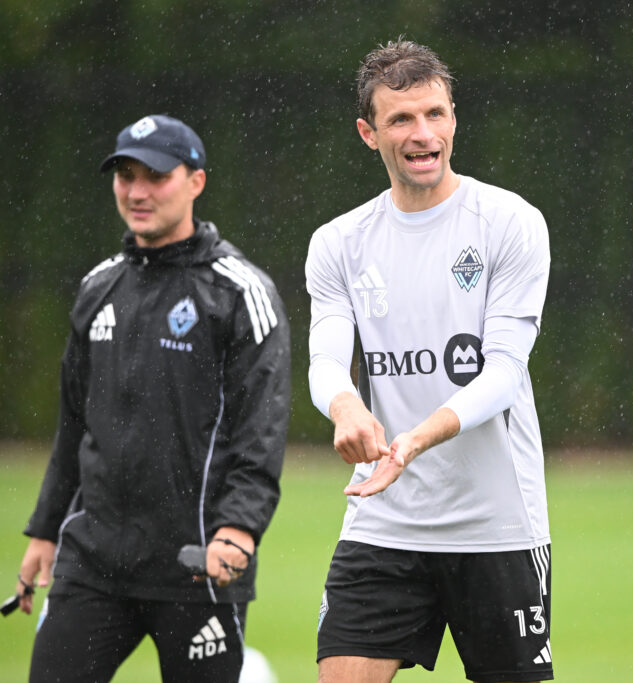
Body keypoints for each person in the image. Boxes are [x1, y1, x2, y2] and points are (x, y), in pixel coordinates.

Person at [305, 39, 553, 683]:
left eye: (435, 114)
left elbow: (501, 375)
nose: (423, 134)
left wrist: (414, 439)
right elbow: (326, 360)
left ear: (452, 118)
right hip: (384, 522)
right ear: (369, 132)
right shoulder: (339, 243)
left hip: (495, 527)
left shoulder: (509, 223)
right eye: (401, 119)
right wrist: (346, 406)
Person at [14, 114, 291, 682]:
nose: (137, 192)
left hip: (199, 564)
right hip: (92, 562)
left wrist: (238, 529)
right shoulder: (98, 288)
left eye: (155, 176)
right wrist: (45, 530)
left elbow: (259, 428)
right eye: (125, 176)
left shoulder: (240, 292)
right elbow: (73, 425)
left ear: (196, 182)